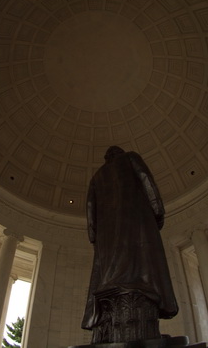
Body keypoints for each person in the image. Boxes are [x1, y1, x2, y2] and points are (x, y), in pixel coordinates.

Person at [81, 146, 178, 343]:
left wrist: (94, 236)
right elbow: (145, 179)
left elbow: (90, 209)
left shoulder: (96, 177)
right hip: (135, 223)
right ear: (120, 152)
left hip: (106, 239)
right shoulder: (130, 158)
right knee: (141, 266)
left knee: (111, 272)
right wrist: (157, 211)